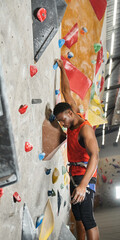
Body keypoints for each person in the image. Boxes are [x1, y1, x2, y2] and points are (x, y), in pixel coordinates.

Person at [53, 59, 99, 240]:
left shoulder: (85, 129)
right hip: (74, 172)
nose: (62, 124)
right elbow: (66, 91)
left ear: (70, 114)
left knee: (87, 218)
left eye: (62, 120)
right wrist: (63, 69)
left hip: (85, 174)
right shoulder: (72, 113)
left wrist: (83, 185)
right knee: (78, 217)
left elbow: (95, 156)